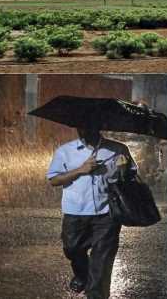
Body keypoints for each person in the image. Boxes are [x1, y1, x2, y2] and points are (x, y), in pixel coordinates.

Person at [46, 126, 136, 299]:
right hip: (75, 211)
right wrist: (80, 170)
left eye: (89, 124)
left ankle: (96, 294)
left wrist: (124, 170)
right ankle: (83, 275)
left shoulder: (118, 149)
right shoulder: (66, 150)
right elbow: (54, 179)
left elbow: (131, 175)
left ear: (98, 125)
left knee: (102, 260)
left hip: (107, 212)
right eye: (81, 126)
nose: (84, 130)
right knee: (72, 249)